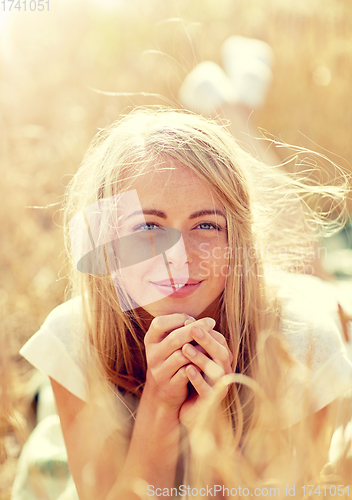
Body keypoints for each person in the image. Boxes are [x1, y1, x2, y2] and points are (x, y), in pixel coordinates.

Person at [18, 105, 352, 500]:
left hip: (292, 301)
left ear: (237, 239)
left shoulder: (306, 345)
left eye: (206, 225)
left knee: (322, 274)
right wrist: (159, 408)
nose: (178, 258)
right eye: (147, 227)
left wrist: (212, 433)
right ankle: (230, 105)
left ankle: (233, 110)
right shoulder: (72, 339)